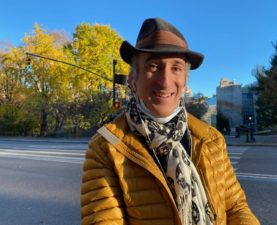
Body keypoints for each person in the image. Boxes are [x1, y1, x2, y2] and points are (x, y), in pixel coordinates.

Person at [81, 18, 260, 225]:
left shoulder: (211, 140)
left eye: (176, 68)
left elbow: (236, 207)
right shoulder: (105, 148)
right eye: (153, 66)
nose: (165, 81)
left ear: (184, 82)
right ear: (132, 79)